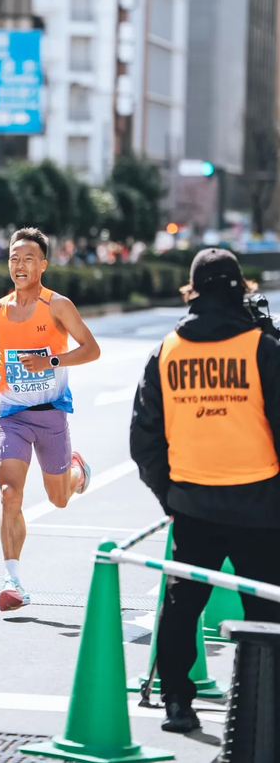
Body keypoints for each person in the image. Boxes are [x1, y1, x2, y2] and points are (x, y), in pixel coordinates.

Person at [130, 247, 280, 734]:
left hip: (193, 502)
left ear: (192, 291)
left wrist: (170, 495)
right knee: (267, 609)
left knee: (182, 605)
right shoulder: (262, 348)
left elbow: (144, 438)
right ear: (241, 289)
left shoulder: (167, 350)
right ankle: (264, 706)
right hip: (260, 502)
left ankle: (177, 703)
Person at [0, 227, 101, 612]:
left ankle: (77, 473)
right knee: (9, 494)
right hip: (12, 416)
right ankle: (12, 580)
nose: (20, 265)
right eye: (14, 258)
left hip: (51, 414)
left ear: (43, 265)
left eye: (28, 259)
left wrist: (50, 360)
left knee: (59, 499)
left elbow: (92, 349)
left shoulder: (57, 306)